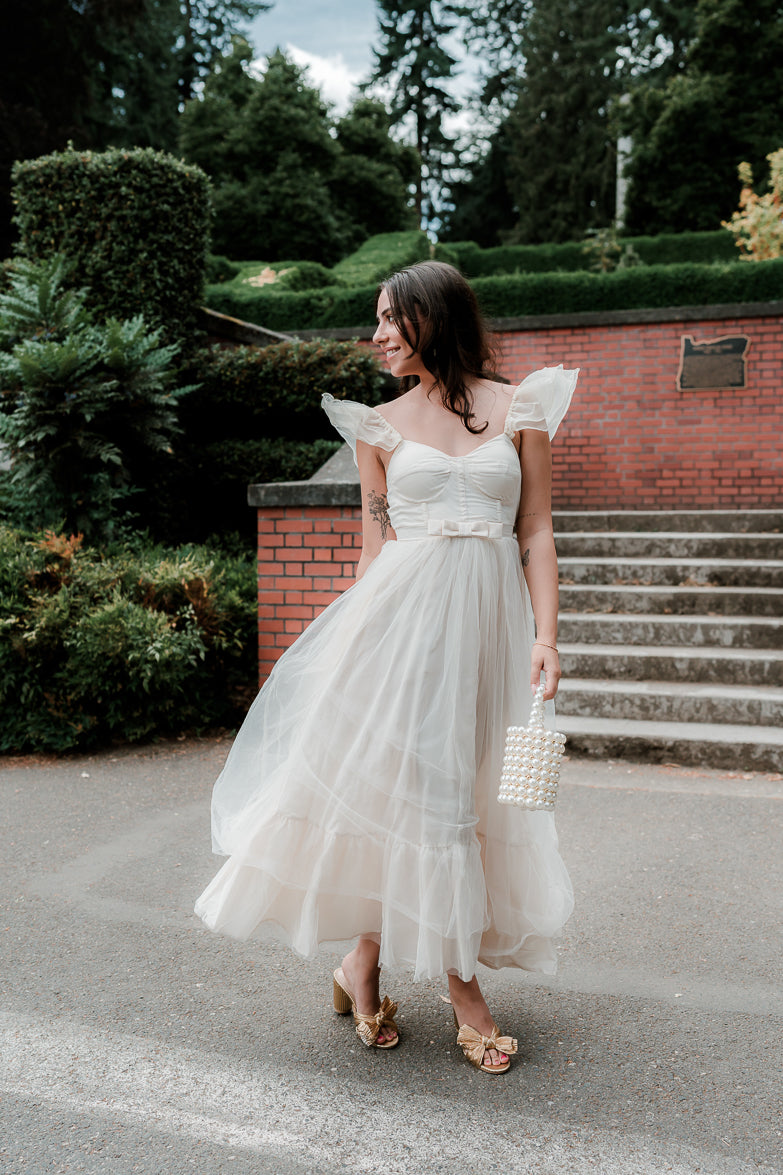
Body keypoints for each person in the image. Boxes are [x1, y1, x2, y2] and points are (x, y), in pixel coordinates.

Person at [195, 261, 577, 1074]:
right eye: (373, 320)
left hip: (491, 636)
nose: (374, 336)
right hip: (401, 636)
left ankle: (358, 964)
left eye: (388, 319)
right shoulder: (377, 426)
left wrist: (546, 635)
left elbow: (535, 529)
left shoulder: (523, 407)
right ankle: (463, 991)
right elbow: (377, 552)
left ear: (433, 318)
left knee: (463, 797)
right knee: (422, 799)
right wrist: (342, 649)